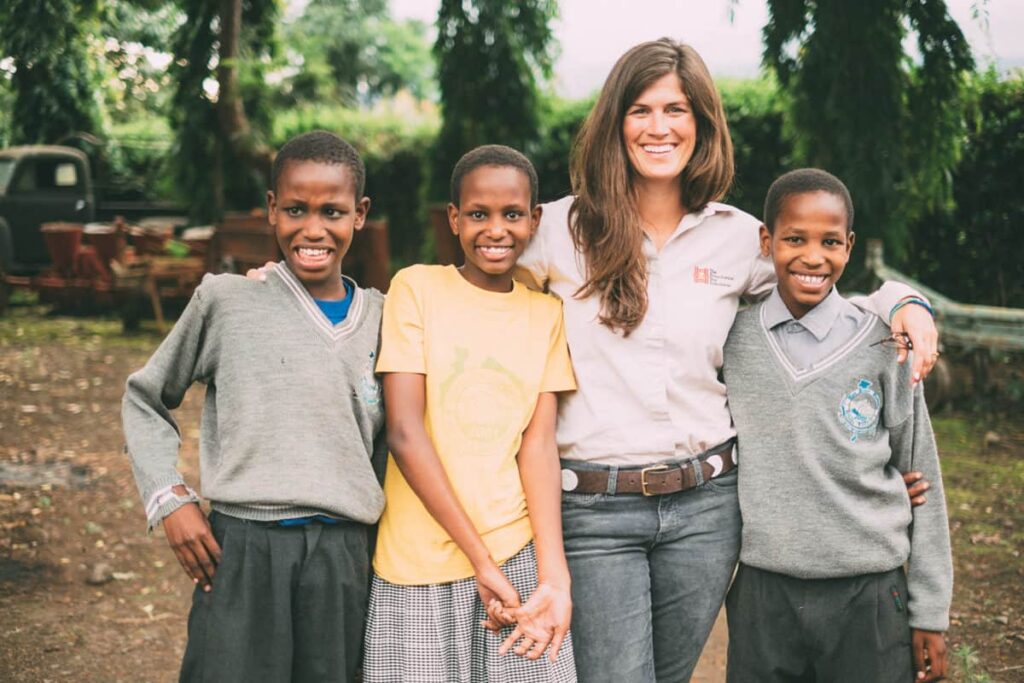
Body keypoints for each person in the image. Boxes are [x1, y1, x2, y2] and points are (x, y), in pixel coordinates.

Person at [514, 38, 940, 682]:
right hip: (593, 510)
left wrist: (905, 300)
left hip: (707, 511)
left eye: (678, 110)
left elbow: (823, 286)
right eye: (642, 109)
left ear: (703, 124)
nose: (660, 127)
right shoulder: (556, 230)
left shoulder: (739, 237)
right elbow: (468, 292)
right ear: (613, 122)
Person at [122, 130, 386, 682]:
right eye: (295, 209)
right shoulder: (227, 300)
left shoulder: (388, 319)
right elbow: (145, 398)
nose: (313, 229)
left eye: (332, 212)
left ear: (359, 214)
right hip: (242, 547)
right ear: (271, 210)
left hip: (344, 556)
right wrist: (169, 499)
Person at [722, 168, 952, 683]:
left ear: (848, 247)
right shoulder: (731, 341)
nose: (812, 256)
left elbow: (924, 476)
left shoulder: (885, 343)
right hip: (764, 592)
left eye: (829, 241)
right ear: (767, 241)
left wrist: (930, 613)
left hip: (868, 592)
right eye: (794, 239)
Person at [361, 145, 577, 683]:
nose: (496, 229)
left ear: (534, 220)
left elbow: (538, 448)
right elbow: (406, 434)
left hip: (517, 557)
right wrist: (480, 562)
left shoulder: (545, 314)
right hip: (419, 562)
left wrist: (554, 575)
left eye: (512, 214)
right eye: (478, 214)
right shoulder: (417, 288)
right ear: (454, 218)